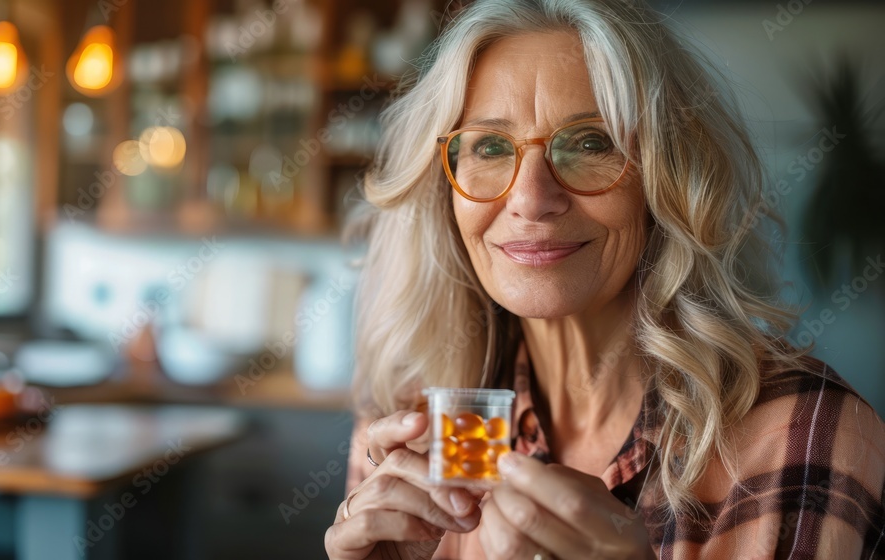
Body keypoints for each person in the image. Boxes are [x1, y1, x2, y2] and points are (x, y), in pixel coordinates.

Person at [324, 0, 885, 558]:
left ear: (667, 179)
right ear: (443, 193)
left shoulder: (802, 432)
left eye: (591, 143)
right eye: (490, 147)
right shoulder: (412, 416)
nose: (531, 200)